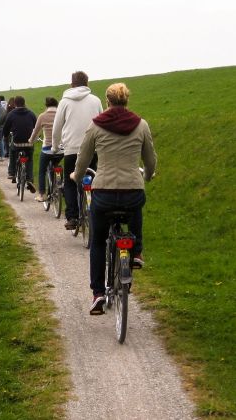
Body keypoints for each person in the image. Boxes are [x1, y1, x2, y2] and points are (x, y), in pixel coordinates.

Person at [71, 83, 157, 315]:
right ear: (127, 100)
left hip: (104, 193)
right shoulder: (141, 125)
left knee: (98, 241)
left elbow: (83, 158)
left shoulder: (96, 126)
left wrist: (76, 176)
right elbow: (150, 160)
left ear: (107, 102)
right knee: (136, 206)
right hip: (132, 190)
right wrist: (147, 176)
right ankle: (136, 252)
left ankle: (98, 293)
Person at [52, 71, 103, 230]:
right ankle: (97, 215)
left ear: (72, 83)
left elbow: (57, 128)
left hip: (71, 149)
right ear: (87, 83)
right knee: (94, 180)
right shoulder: (96, 100)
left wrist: (55, 147)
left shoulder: (64, 102)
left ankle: (73, 216)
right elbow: (102, 123)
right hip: (93, 149)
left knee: (70, 182)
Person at [28, 97, 60, 202]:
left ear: (46, 106)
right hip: (61, 149)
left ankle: (42, 195)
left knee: (42, 170)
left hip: (47, 149)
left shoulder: (42, 116)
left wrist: (31, 141)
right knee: (56, 165)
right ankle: (59, 186)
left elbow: (35, 132)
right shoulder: (61, 115)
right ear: (57, 105)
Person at [3, 96, 37, 193]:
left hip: (17, 143)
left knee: (12, 151)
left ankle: (12, 172)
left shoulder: (11, 114)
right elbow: (36, 126)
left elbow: (6, 128)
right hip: (29, 143)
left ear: (15, 104)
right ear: (24, 102)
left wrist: (5, 136)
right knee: (29, 159)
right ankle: (29, 179)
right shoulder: (31, 114)